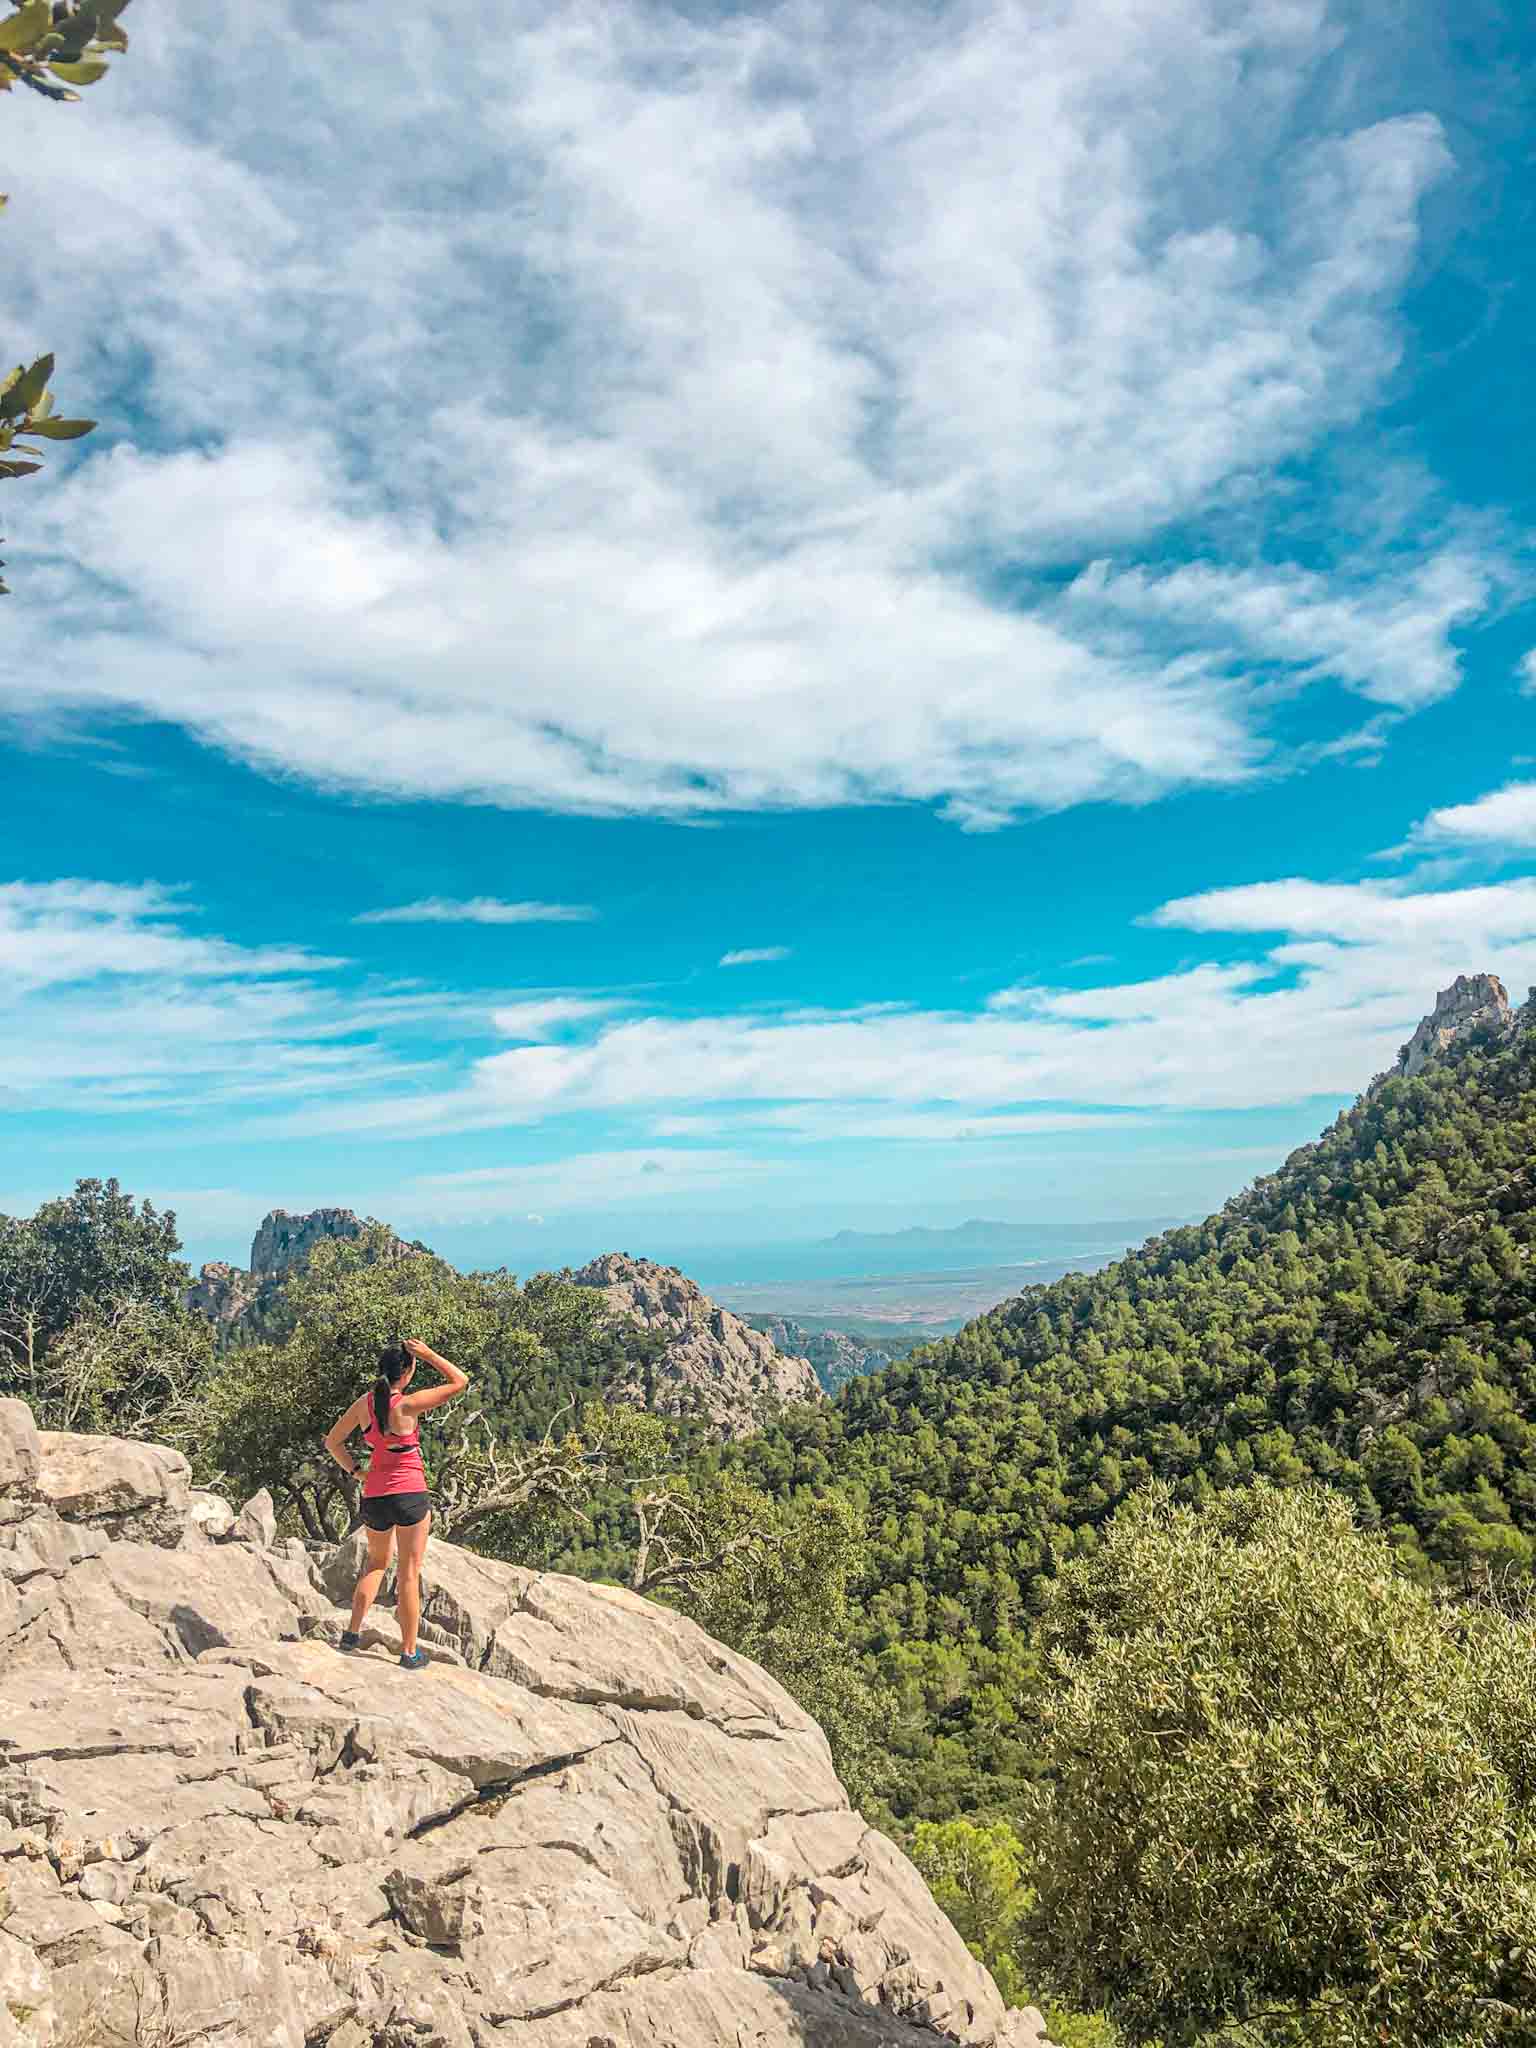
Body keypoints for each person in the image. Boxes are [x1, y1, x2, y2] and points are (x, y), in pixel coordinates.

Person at [322, 1336, 469, 1669]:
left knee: (375, 1563)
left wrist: (356, 1470)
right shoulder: (408, 1404)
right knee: (408, 1574)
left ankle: (351, 1635)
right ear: (408, 1370)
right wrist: (429, 1354)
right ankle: (409, 1651)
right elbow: (461, 1381)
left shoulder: (365, 1404)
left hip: (375, 1493)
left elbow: (333, 1441)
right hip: (409, 1494)